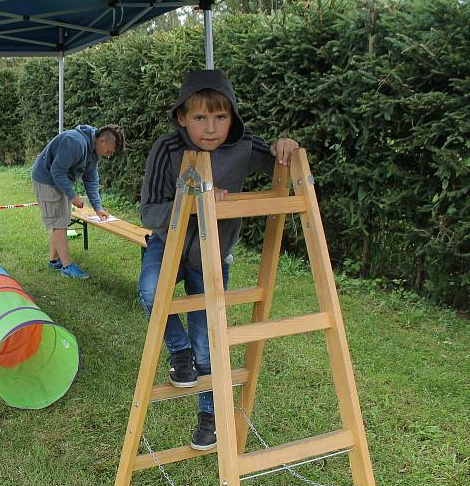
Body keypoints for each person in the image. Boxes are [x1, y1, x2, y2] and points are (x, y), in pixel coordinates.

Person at [138, 68, 299, 450]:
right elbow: (148, 212)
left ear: (233, 118)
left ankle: (209, 416)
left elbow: (279, 159)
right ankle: (179, 353)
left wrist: (285, 146)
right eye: (200, 117)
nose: (211, 128)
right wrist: (190, 203)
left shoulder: (242, 146)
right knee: (149, 291)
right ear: (182, 117)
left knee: (208, 341)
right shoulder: (167, 149)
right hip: (168, 242)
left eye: (221, 117)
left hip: (213, 255)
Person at [31, 124, 125, 280]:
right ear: (102, 140)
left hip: (59, 181)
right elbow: (57, 170)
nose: (109, 155)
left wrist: (97, 207)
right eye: (109, 151)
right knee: (57, 224)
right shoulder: (74, 143)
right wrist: (72, 195)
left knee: (62, 220)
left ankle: (54, 261)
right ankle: (67, 266)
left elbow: (91, 179)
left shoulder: (93, 152)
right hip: (46, 179)